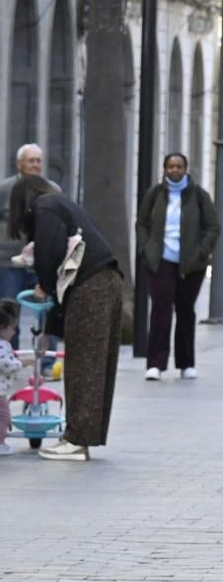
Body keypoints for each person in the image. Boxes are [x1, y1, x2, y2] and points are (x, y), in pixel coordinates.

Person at [7, 175, 125, 461]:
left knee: (83, 364)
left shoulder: (45, 206)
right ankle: (82, 437)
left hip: (89, 288)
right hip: (106, 282)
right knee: (97, 365)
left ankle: (75, 440)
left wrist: (44, 286)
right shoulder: (61, 203)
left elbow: (50, 251)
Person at [136, 152, 220, 382]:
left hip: (191, 264)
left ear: (186, 168)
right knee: (161, 311)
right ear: (164, 169)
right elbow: (142, 223)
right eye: (170, 166)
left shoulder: (199, 195)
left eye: (179, 166)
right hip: (160, 260)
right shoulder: (155, 194)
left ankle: (186, 363)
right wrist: (146, 249)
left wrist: (201, 252)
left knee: (185, 311)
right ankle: (155, 364)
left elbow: (212, 227)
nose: (174, 170)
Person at [0, 144, 60, 299]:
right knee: (9, 308)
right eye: (31, 161)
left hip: (40, 265)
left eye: (38, 161)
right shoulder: (5, 188)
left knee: (42, 310)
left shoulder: (52, 189)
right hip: (9, 263)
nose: (35, 165)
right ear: (19, 164)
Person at [0, 297, 28, 457]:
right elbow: (6, 365)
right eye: (12, 328)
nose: (14, 332)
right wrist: (21, 363)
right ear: (3, 328)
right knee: (4, 416)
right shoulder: (3, 345)